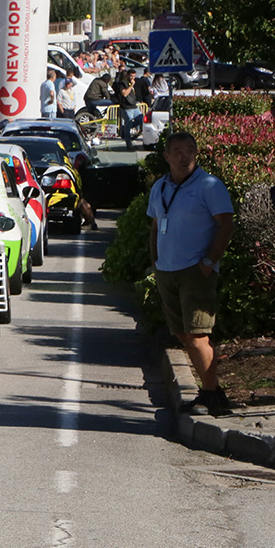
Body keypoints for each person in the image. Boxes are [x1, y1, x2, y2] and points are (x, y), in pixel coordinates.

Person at [147, 131, 235, 415]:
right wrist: (155, 261)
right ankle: (214, 392)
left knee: (198, 335)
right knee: (184, 335)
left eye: (190, 150)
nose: (185, 156)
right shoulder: (160, 187)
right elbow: (155, 225)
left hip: (195, 271)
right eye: (178, 151)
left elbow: (225, 224)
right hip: (167, 270)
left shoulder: (209, 185)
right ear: (167, 157)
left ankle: (209, 394)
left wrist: (210, 261)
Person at [115, 70, 141, 150]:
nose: (133, 78)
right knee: (128, 123)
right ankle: (128, 144)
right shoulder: (123, 83)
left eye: (134, 76)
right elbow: (124, 94)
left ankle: (124, 128)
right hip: (126, 107)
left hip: (134, 106)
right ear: (127, 76)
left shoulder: (133, 82)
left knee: (141, 119)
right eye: (131, 76)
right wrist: (131, 86)